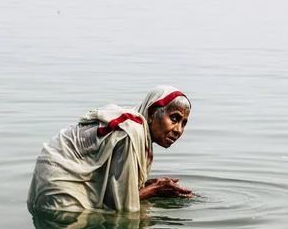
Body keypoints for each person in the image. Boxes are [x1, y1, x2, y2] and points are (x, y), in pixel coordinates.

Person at [27, 86, 193, 213]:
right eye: (174, 118)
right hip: (61, 181)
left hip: (53, 170)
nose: (178, 129)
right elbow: (119, 204)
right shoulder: (131, 132)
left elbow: (110, 182)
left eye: (183, 123)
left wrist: (151, 184)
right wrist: (155, 190)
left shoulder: (136, 129)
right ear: (151, 114)